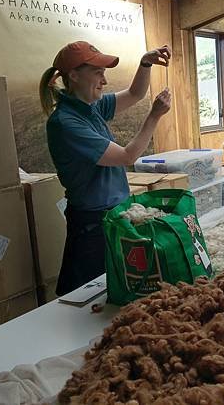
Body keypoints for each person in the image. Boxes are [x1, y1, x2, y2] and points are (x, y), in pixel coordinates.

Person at [39, 41, 171, 295]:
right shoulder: (66, 123)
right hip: (92, 224)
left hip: (113, 215)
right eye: (98, 73)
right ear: (74, 76)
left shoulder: (92, 107)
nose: (104, 80)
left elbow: (135, 94)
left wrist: (145, 63)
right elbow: (126, 156)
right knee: (87, 296)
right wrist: (154, 116)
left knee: (114, 291)